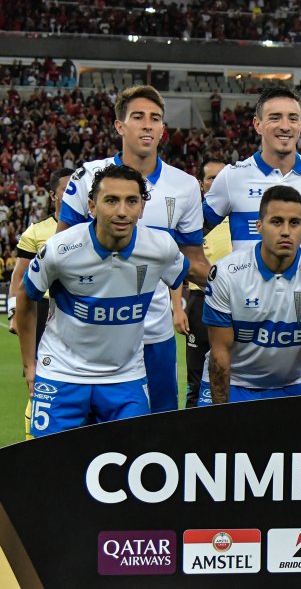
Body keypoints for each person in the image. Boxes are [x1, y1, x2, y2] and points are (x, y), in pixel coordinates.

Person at [16, 166, 202, 436]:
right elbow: (25, 294)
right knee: (51, 468)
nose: (122, 211)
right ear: (92, 206)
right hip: (62, 375)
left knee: (132, 469)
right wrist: (29, 365)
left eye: (132, 201)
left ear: (142, 206)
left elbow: (191, 273)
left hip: (125, 379)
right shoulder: (61, 250)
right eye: (111, 200)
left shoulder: (160, 247)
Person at [56, 85, 209, 413]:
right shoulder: (88, 177)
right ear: (119, 126)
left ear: (163, 129)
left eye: (155, 119)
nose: (148, 125)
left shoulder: (184, 186)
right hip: (92, 335)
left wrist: (224, 282)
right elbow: (61, 251)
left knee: (159, 430)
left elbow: (195, 258)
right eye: (138, 117)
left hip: (154, 332)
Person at [200, 185, 301, 404]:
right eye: (276, 222)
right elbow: (220, 351)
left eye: (294, 223)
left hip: (293, 383)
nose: (286, 231)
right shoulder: (227, 273)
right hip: (235, 382)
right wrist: (222, 415)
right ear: (258, 226)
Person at [203, 86, 301, 251]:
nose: (285, 126)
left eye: (293, 118)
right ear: (257, 125)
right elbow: (191, 236)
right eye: (275, 118)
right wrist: (214, 274)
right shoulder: (232, 177)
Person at [7, 168, 72, 439]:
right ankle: (33, 439)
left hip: (73, 307)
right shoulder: (36, 231)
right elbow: (20, 274)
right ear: (53, 194)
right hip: (41, 307)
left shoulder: (88, 229)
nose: (72, 194)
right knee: (38, 381)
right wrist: (14, 311)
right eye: (67, 188)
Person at [183, 159, 232, 408]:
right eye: (211, 178)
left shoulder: (240, 219)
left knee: (228, 374)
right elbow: (177, 263)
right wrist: (175, 307)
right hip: (199, 302)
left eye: (221, 177)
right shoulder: (192, 221)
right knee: (194, 378)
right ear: (202, 184)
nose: (217, 182)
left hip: (234, 304)